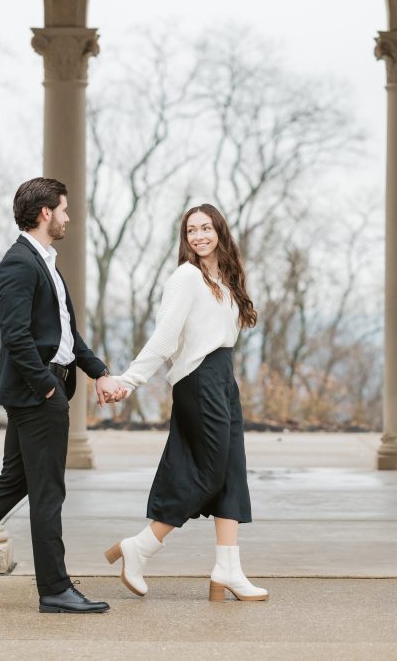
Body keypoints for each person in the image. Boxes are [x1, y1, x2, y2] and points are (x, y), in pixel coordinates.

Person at [0, 177, 126, 614]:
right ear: (46, 212)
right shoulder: (17, 264)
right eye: (65, 209)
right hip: (37, 393)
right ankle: (55, 589)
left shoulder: (46, 262)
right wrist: (48, 388)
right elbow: (16, 337)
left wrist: (100, 374)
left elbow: (68, 336)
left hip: (44, 388)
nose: (69, 216)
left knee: (13, 482)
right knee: (48, 492)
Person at [103, 203, 267, 602]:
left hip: (223, 379)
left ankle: (228, 569)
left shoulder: (224, 278)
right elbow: (165, 337)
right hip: (199, 382)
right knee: (208, 474)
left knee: (231, 472)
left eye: (205, 228)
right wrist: (130, 380)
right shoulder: (186, 276)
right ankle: (139, 548)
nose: (198, 236)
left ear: (219, 232)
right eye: (191, 230)